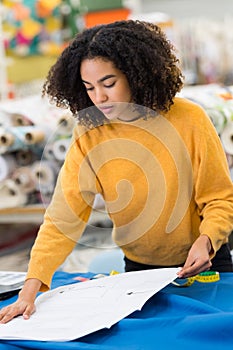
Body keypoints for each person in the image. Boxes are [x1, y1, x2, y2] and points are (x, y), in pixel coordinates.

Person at [1, 19, 233, 324]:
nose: (99, 97)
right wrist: (29, 291)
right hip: (139, 270)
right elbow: (64, 217)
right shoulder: (89, 131)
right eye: (89, 88)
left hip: (207, 262)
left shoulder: (190, 119)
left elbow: (219, 198)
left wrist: (207, 240)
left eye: (108, 83)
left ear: (137, 75)